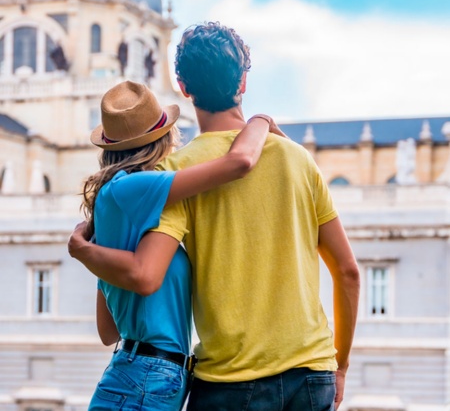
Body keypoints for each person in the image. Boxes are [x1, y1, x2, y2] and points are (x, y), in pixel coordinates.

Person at [70, 22, 360, 411]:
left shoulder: (173, 174)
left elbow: (141, 276)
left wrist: (89, 251)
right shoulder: (297, 159)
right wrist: (339, 366)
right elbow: (348, 272)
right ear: (242, 81)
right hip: (312, 375)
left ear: (183, 87)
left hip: (229, 381)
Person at [69, 79, 281, 410]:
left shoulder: (112, 204)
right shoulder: (133, 187)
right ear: (164, 137)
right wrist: (261, 121)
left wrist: (88, 254)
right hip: (148, 376)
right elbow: (238, 163)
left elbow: (108, 331)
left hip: (136, 372)